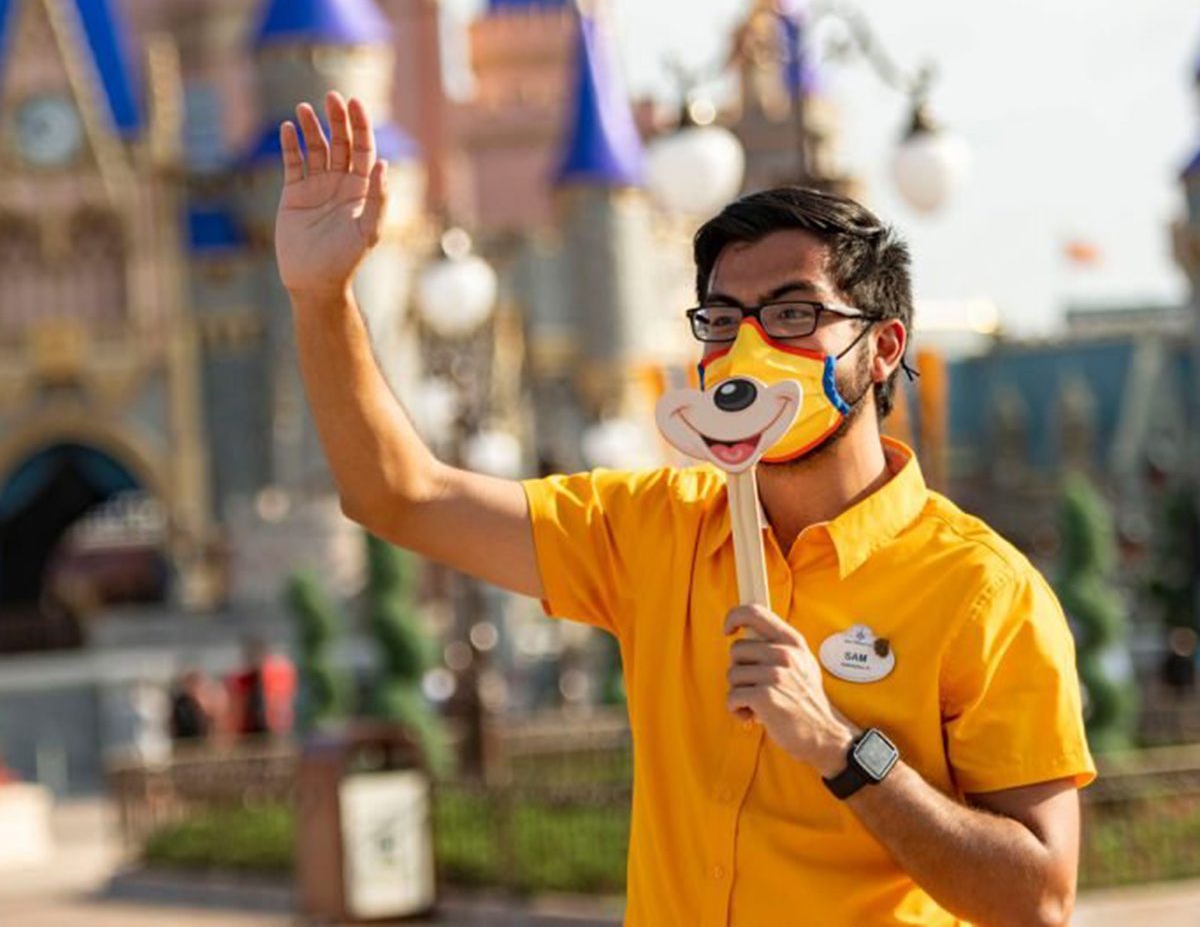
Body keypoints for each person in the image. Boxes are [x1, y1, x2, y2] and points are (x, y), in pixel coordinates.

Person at [274, 91, 1095, 927]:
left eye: (791, 313)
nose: (747, 348)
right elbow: (398, 497)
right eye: (722, 319)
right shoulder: (651, 531)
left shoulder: (983, 594)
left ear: (881, 347)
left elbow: (1037, 900)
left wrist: (842, 748)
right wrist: (322, 298)